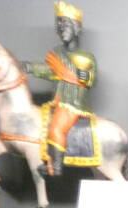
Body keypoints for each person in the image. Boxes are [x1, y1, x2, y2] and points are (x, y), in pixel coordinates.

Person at [22, 2, 96, 181]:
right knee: (39, 124)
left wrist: (78, 75)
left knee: (56, 128)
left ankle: (56, 167)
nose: (62, 28)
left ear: (77, 28)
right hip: (56, 101)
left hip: (74, 103)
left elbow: (91, 79)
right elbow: (50, 71)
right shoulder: (56, 54)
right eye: (59, 24)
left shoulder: (86, 57)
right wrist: (29, 67)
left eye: (66, 24)